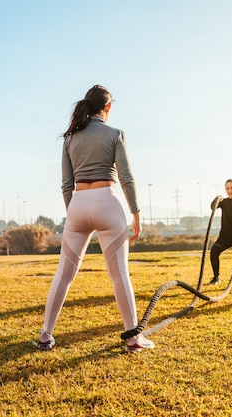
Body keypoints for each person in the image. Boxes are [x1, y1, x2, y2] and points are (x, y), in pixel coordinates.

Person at [38, 85, 154, 353]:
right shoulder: (115, 134)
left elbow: (66, 185)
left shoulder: (69, 138)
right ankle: (133, 339)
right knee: (119, 274)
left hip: (78, 203)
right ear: (108, 107)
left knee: (64, 275)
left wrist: (75, 214)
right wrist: (135, 213)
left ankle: (46, 334)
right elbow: (126, 178)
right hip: (108, 204)